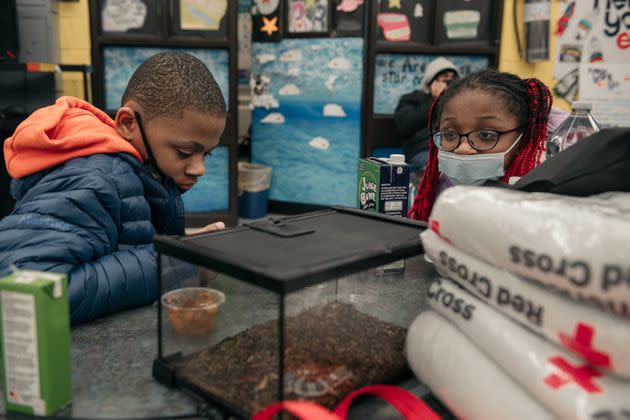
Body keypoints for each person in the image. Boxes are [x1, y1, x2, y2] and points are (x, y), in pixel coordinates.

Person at [0, 51, 227, 324]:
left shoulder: (135, 172)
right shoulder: (96, 179)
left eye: (207, 155)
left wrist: (184, 249)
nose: (199, 169)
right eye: (184, 152)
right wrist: (181, 263)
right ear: (128, 123)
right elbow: (31, 293)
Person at [408, 69, 569, 221]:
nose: (463, 149)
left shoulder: (548, 202)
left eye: (486, 135)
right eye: (449, 134)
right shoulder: (437, 189)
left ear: (523, 137)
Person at [394, 57, 460, 178]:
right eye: (444, 76)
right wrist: (435, 99)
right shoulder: (412, 99)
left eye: (453, 77)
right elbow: (405, 125)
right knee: (432, 167)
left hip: (455, 150)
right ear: (432, 80)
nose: (449, 81)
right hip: (425, 151)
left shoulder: (460, 101)